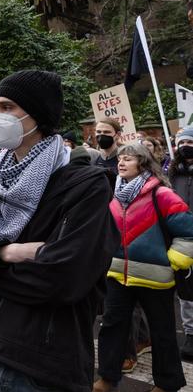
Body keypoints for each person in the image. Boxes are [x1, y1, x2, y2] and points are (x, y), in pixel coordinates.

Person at [0, 70, 119, 392]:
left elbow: (63, 279)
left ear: (36, 114)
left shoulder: (85, 185)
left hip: (46, 369)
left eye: (7, 107)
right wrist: (7, 252)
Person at [95, 143, 193, 392]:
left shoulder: (162, 194)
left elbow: (189, 233)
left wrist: (172, 262)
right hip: (118, 275)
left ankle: (167, 384)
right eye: (120, 159)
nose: (121, 163)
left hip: (156, 279)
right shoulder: (115, 195)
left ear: (143, 163)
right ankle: (107, 378)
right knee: (112, 328)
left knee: (163, 334)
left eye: (128, 159)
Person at [168, 126, 193, 360]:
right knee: (186, 288)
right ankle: (191, 334)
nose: (186, 146)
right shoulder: (172, 173)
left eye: (191, 142)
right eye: (182, 142)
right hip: (182, 237)